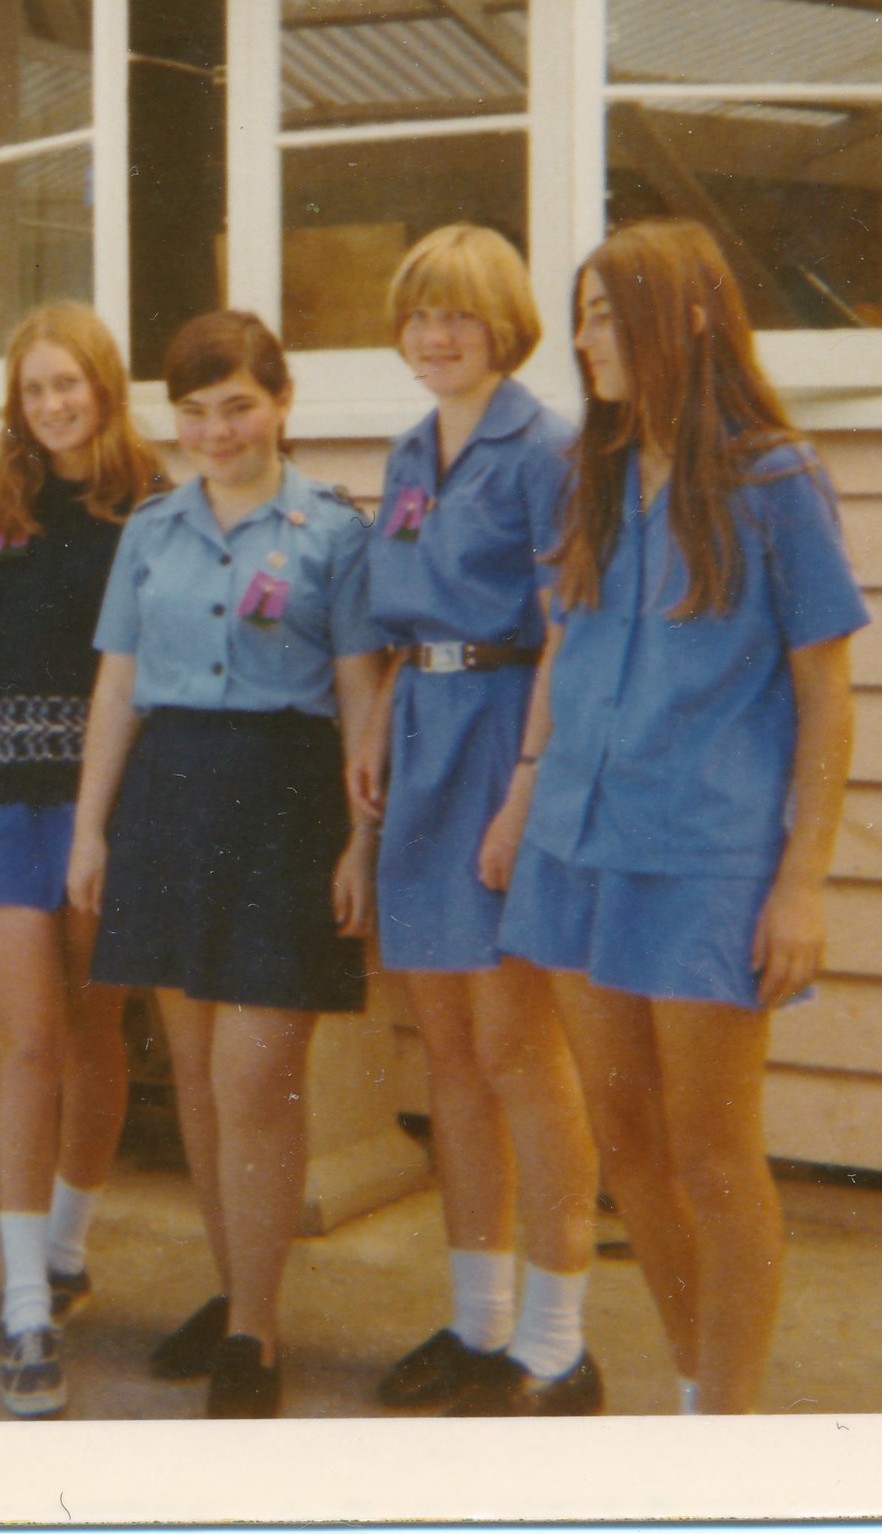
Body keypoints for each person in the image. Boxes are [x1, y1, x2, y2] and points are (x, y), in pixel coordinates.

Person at [492, 218, 869, 1414]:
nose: (587, 340)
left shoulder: (774, 483)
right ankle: (693, 1391)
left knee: (712, 1153)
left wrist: (800, 882)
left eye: (610, 313)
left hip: (705, 863)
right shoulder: (589, 477)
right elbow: (562, 646)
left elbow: (826, 695)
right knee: (624, 1136)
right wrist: (523, 793)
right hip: (573, 846)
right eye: (584, 314)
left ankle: (730, 1439)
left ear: (690, 318)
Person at [68, 310, 386, 1419]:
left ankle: (255, 1326)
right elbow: (114, 685)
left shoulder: (334, 533)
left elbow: (360, 691)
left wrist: (362, 837)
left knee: (256, 1076)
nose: (216, 430)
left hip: (286, 797)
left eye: (238, 405)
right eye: (195, 411)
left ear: (281, 401)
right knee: (198, 1072)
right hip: (170, 793)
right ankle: (230, 1284)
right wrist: (90, 828)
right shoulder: (151, 530)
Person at [346, 225, 604, 1418]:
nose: (434, 336)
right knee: (444, 1053)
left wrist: (525, 789)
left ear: (503, 324)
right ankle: (476, 1319)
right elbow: (394, 616)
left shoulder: (545, 448)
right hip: (421, 738)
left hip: (505, 735)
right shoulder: (407, 453)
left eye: (456, 315)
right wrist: (376, 733)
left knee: (516, 1051)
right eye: (416, 316)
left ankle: (556, 1342)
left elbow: (567, 629)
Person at [0, 304, 161, 1417]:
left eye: (66, 385)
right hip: (0, 792)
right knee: (26, 1039)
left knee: (92, 1031)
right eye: (32, 389)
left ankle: (70, 1242)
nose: (50, 406)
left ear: (101, 385)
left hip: (105, 800)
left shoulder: (150, 501)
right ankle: (25, 1296)